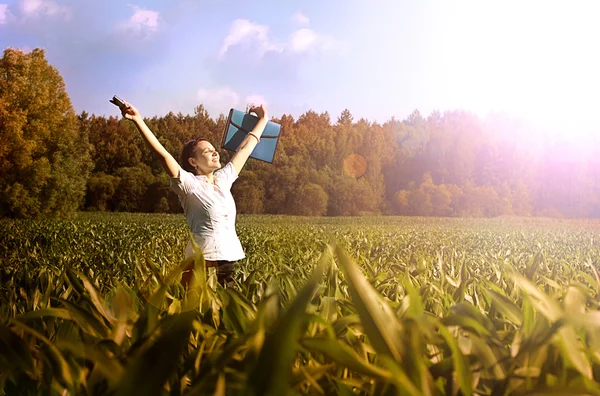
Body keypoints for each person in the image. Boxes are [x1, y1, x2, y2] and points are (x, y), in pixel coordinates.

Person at [119, 100, 268, 288]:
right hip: (201, 266)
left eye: (215, 150)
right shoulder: (188, 184)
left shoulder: (223, 179)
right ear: (193, 161)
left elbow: (245, 149)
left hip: (227, 264)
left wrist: (262, 120)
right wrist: (137, 119)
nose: (215, 153)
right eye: (207, 151)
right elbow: (162, 155)